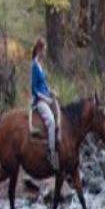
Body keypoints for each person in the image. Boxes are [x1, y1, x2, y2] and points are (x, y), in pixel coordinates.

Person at [31, 37, 59, 170]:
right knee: (51, 121)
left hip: (46, 95)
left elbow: (43, 84)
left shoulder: (41, 65)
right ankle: (51, 153)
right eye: (44, 50)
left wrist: (51, 91)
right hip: (39, 100)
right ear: (39, 50)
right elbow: (34, 89)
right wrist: (45, 98)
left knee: (59, 111)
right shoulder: (34, 66)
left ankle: (58, 140)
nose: (45, 53)